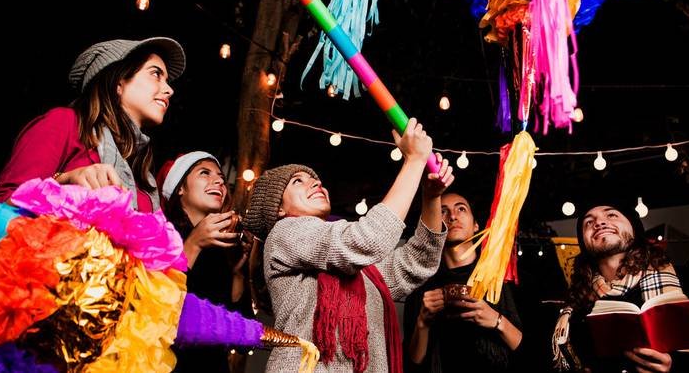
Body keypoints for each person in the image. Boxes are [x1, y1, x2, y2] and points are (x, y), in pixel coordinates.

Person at [242, 118, 453, 373]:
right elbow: (367, 239)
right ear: (278, 209)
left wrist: (431, 197)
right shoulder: (284, 233)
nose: (316, 183)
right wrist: (415, 162)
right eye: (298, 181)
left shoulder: (358, 267)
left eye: (316, 180)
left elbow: (417, 262)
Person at [0, 37, 186, 212]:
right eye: (156, 74)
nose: (169, 90)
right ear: (118, 82)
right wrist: (63, 182)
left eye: (166, 80)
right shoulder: (66, 123)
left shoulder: (144, 179)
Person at [552, 200, 689, 372]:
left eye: (611, 215)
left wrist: (676, 366)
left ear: (634, 228)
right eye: (589, 222)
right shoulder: (578, 309)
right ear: (584, 242)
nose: (599, 222)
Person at [403, 191, 523, 372]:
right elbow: (412, 364)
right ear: (434, 225)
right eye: (442, 211)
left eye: (461, 209)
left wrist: (497, 321)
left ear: (476, 225)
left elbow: (530, 353)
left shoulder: (503, 279)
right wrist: (423, 323)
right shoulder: (421, 287)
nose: (452, 216)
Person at [156, 150, 252, 373]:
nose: (219, 181)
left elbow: (242, 341)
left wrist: (238, 274)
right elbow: (156, 311)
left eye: (221, 177)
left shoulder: (223, 250)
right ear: (180, 188)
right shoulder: (159, 235)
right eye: (204, 173)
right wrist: (193, 244)